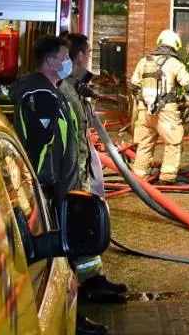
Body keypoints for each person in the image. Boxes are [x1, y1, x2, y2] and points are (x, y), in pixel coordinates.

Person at [9, 35, 109, 335]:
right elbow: (43, 147)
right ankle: (67, 320)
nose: (70, 61)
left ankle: (72, 316)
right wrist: (48, 187)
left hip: (57, 188)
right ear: (52, 61)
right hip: (50, 192)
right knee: (55, 262)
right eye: (65, 56)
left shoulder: (49, 91)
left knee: (60, 260)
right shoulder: (41, 95)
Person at [59, 33, 128, 304]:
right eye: (88, 54)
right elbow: (70, 140)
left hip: (78, 171)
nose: (89, 59)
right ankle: (90, 283)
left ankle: (90, 279)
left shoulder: (72, 88)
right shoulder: (65, 92)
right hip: (72, 175)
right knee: (82, 226)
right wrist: (76, 179)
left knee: (81, 225)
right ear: (80, 56)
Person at [128, 29, 189, 183]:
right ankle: (167, 178)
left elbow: (133, 86)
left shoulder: (144, 61)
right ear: (175, 45)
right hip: (167, 112)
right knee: (173, 143)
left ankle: (140, 178)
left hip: (144, 111)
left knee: (144, 145)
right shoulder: (175, 63)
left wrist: (143, 102)